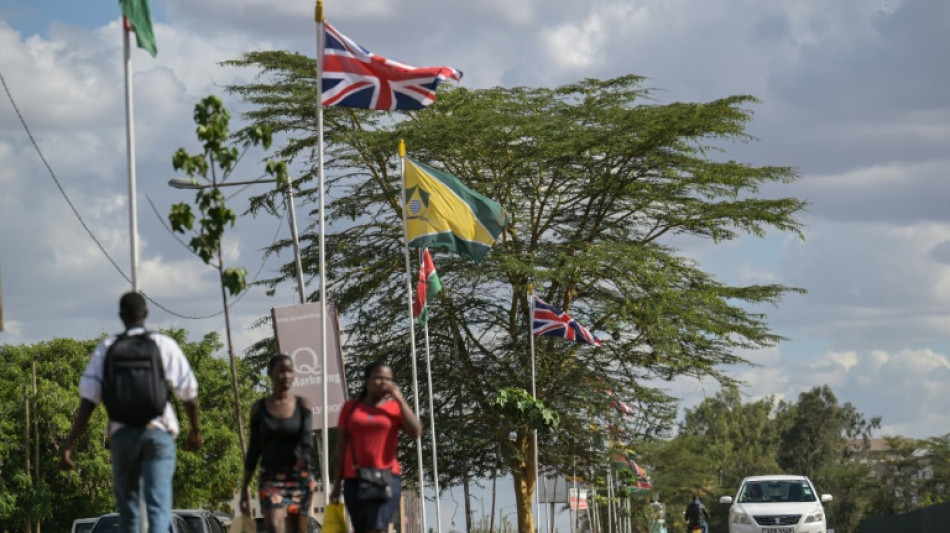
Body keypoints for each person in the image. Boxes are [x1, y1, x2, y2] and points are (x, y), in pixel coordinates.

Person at [61, 291, 202, 533]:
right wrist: (195, 430)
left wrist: (70, 443)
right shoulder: (163, 344)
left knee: (129, 513)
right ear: (146, 314)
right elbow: (189, 393)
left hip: (123, 436)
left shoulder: (107, 347)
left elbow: (89, 399)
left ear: (121, 316)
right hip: (158, 433)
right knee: (158, 508)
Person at [330, 361, 422, 533]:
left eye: (388, 379)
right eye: (378, 378)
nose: (384, 382)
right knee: (362, 529)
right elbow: (340, 447)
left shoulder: (394, 408)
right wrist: (336, 485)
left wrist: (399, 398)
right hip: (355, 479)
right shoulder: (350, 408)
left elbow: (416, 431)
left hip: (387, 478)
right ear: (367, 381)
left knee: (377, 528)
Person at [240, 354, 315, 533]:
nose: (286, 376)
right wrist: (245, 486)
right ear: (270, 374)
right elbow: (254, 448)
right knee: (274, 527)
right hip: (270, 478)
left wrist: (302, 461)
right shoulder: (259, 408)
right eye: (281, 371)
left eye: (290, 371)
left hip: (298, 477)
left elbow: (306, 442)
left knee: (299, 530)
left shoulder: (302, 405)